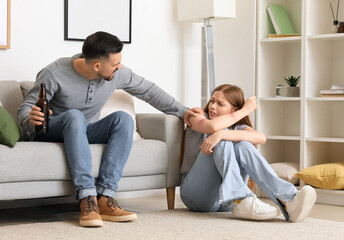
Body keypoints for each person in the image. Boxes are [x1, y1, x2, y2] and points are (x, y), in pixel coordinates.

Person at [17, 31, 197, 227]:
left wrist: (184, 112)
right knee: (74, 116)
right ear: (97, 66)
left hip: (84, 131)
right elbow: (25, 109)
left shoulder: (116, 73)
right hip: (51, 132)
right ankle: (87, 198)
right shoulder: (55, 73)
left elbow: (148, 91)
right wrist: (30, 118)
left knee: (123, 119)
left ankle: (105, 197)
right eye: (115, 64)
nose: (119, 67)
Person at [180, 84, 317, 222]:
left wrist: (222, 134)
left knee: (242, 144)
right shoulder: (197, 117)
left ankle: (289, 199)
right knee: (222, 137)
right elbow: (213, 127)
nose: (213, 106)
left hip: (225, 202)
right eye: (212, 100)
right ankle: (242, 197)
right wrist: (245, 111)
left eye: (220, 104)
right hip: (195, 196)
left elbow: (261, 138)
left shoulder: (238, 127)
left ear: (234, 109)